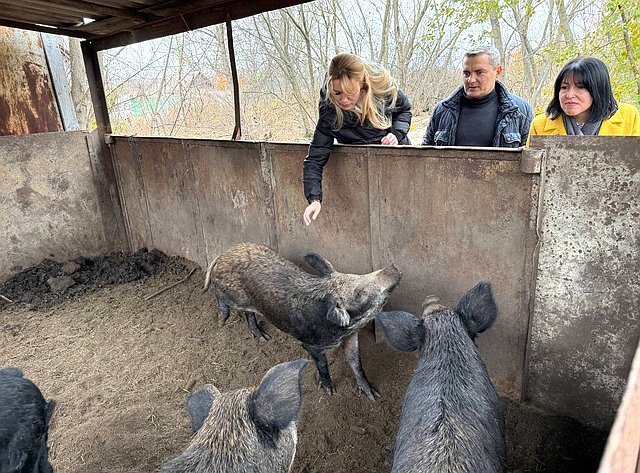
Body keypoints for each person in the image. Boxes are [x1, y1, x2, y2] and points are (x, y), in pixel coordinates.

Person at [302, 53, 412, 226]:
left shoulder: (382, 91)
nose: (343, 100)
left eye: (349, 93)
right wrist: (314, 199)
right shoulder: (329, 110)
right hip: (360, 170)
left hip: (395, 161)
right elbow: (315, 158)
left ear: (362, 85)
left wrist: (398, 134)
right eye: (337, 93)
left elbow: (405, 110)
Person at [421, 45, 532, 147]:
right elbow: (425, 158)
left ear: (497, 72)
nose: (471, 80)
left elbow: (530, 159)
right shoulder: (442, 110)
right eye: (466, 73)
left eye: (479, 72)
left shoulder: (520, 111)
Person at [528, 57, 640, 139]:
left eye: (580, 87)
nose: (569, 95)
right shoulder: (540, 125)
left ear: (598, 89)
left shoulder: (628, 117)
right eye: (564, 87)